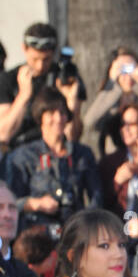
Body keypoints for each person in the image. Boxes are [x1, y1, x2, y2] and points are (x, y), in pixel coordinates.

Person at [3, 88, 102, 230]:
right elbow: (10, 200)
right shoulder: (23, 156)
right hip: (36, 231)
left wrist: (85, 225)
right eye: (51, 113)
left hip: (75, 230)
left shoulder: (81, 154)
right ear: (40, 117)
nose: (58, 119)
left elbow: (96, 198)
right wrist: (35, 203)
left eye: (62, 113)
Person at [0, 22, 87, 149]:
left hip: (57, 151)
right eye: (35, 59)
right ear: (24, 48)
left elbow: (73, 137)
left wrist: (70, 102)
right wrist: (23, 96)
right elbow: (3, 134)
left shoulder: (65, 76)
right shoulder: (8, 79)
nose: (40, 66)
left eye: (46, 59)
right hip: (21, 154)